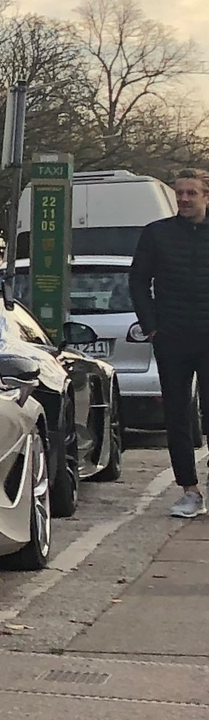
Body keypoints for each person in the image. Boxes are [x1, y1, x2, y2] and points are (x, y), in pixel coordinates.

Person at [130, 168, 209, 518]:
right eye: (180, 193)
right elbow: (137, 281)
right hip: (172, 337)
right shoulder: (157, 234)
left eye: (192, 193)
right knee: (176, 416)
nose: (184, 199)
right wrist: (152, 328)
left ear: (206, 196)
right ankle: (189, 490)